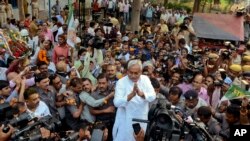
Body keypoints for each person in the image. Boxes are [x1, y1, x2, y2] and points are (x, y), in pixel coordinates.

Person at [113, 59, 156, 141]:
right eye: (130, 72)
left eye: (136, 73)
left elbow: (153, 96)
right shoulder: (121, 82)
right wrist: (130, 96)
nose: (133, 75)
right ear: (127, 71)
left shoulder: (145, 79)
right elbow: (116, 103)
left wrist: (142, 94)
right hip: (124, 119)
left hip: (141, 117)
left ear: (141, 71)